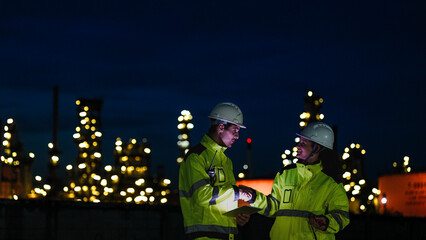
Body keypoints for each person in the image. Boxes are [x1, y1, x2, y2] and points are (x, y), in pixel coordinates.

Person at [240, 122, 350, 240]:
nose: (297, 146)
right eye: (299, 141)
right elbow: (273, 208)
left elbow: (342, 216)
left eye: (303, 143)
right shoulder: (286, 174)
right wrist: (253, 197)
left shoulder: (331, 182)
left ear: (317, 148)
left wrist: (327, 222)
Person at [179, 102, 252, 240]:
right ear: (221, 127)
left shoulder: (225, 161)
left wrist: (236, 215)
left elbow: (221, 199)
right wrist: (237, 192)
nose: (237, 136)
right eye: (235, 130)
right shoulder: (196, 157)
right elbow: (201, 196)